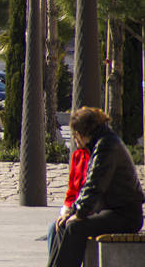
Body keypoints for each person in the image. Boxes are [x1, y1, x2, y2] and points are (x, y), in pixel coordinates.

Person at [47, 107, 144, 267]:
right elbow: (89, 187)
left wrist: (79, 213)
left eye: (75, 134)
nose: (74, 138)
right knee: (64, 224)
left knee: (75, 226)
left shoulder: (106, 146)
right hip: (112, 211)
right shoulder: (103, 142)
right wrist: (72, 212)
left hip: (125, 215)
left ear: (82, 133)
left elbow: (94, 185)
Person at [46, 134, 91, 254]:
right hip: (75, 208)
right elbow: (72, 188)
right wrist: (66, 210)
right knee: (53, 229)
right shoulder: (77, 155)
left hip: (89, 210)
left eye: (78, 135)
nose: (74, 138)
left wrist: (72, 213)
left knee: (65, 228)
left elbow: (91, 192)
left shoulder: (94, 157)